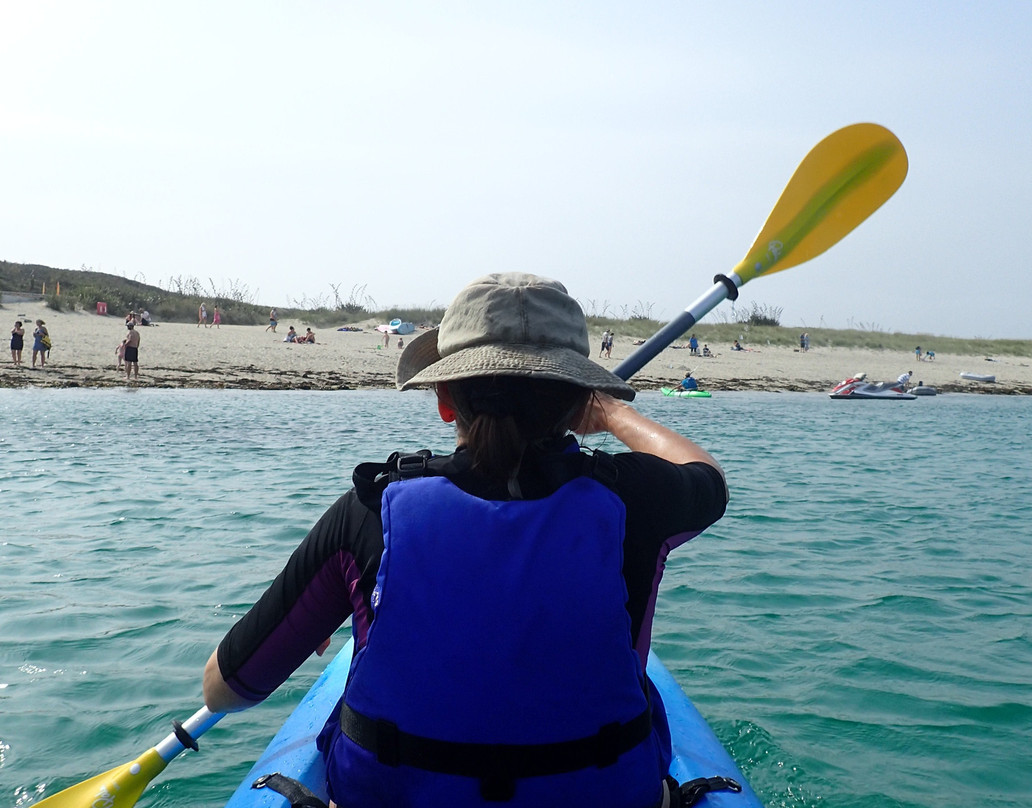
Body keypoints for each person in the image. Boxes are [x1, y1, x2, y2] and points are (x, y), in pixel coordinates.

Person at [201, 273, 728, 808]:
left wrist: (321, 609)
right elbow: (708, 478)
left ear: (445, 401)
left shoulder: (368, 512)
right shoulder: (636, 500)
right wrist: (615, 414)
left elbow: (224, 689)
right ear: (578, 405)